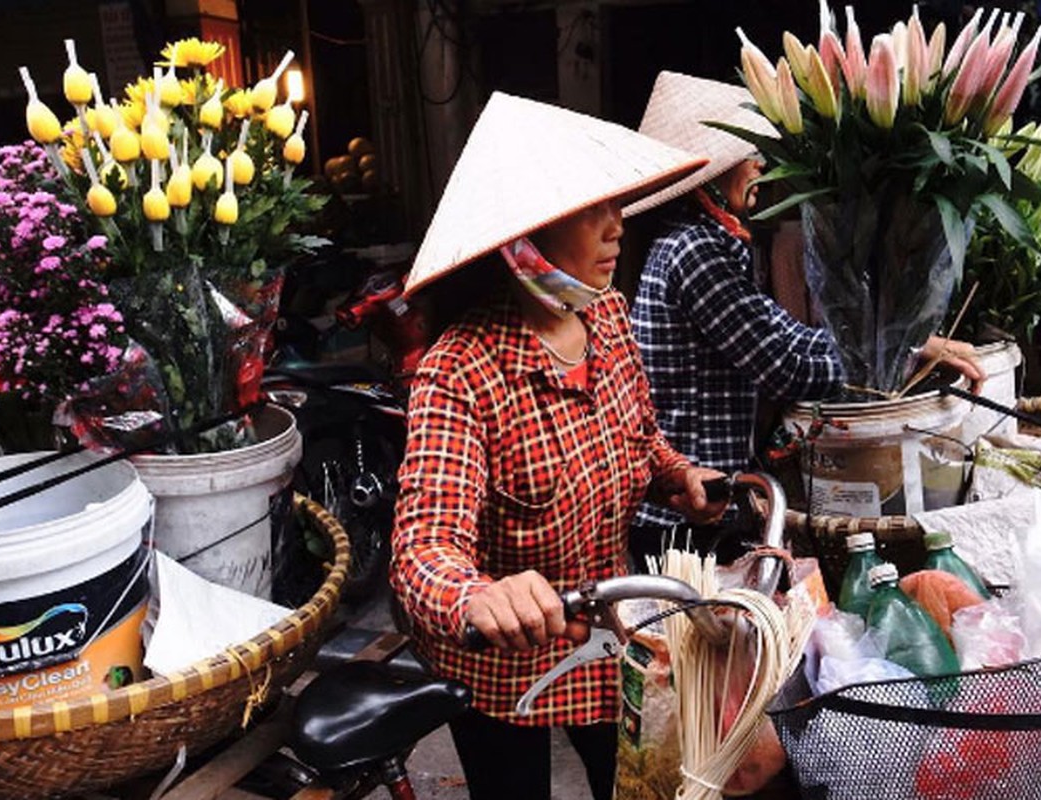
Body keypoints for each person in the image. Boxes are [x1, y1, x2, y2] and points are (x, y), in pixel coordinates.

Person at [391, 92, 726, 800]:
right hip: (501, 668)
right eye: (592, 211)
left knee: (638, 786)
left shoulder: (606, 314)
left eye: (617, 206)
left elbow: (638, 433)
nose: (617, 229)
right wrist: (477, 597)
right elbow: (423, 547)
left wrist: (677, 474)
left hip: (610, 634)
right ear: (528, 233)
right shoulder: (460, 369)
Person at [626, 72, 983, 562]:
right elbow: (787, 363)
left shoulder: (714, 242)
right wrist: (906, 349)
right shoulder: (695, 250)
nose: (759, 165)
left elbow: (787, 334)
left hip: (710, 505)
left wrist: (903, 344)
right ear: (707, 173)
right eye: (745, 157)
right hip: (686, 520)